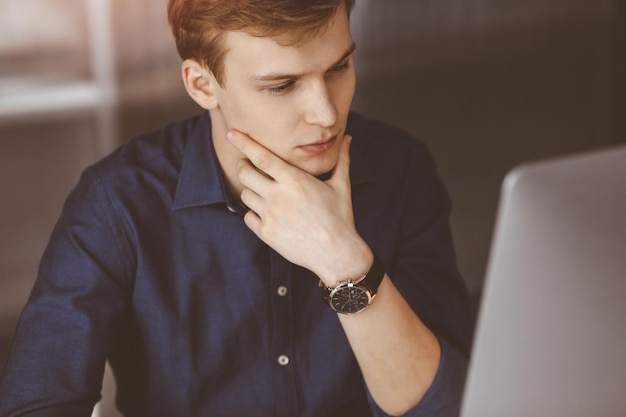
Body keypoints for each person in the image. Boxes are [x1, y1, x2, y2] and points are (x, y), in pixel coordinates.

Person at [0, 1, 474, 416]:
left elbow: (446, 407)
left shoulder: (401, 169)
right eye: (282, 85)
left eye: (338, 68)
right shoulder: (116, 202)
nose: (326, 113)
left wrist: (343, 262)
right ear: (203, 85)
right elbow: (38, 403)